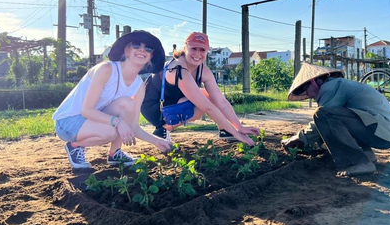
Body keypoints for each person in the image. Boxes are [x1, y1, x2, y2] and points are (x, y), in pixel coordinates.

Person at [53, 30, 172, 169]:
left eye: (148, 48)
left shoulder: (139, 85)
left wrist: (157, 141)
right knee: (113, 131)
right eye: (136, 45)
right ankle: (75, 146)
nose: (142, 49)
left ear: (151, 56)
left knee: (127, 104)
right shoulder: (106, 69)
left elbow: (133, 126)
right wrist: (117, 122)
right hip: (68, 121)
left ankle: (114, 153)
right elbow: (86, 110)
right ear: (127, 51)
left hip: (93, 120)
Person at [282, 62, 390, 177]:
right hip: (385, 132)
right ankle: (367, 155)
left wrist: (299, 137)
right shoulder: (338, 84)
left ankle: (358, 162)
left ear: (313, 82)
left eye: (305, 90)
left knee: (323, 115)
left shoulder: (330, 87)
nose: (308, 94)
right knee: (328, 121)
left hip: (380, 130)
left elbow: (322, 119)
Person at [141, 32, 260, 146]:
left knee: (209, 96)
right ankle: (163, 129)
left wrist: (240, 127)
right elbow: (207, 107)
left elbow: (221, 102)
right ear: (186, 47)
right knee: (203, 101)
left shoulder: (203, 70)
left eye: (202, 50)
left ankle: (225, 131)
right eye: (194, 48)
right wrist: (237, 134)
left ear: (207, 51)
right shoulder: (179, 69)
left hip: (172, 102)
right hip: (153, 107)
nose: (198, 54)